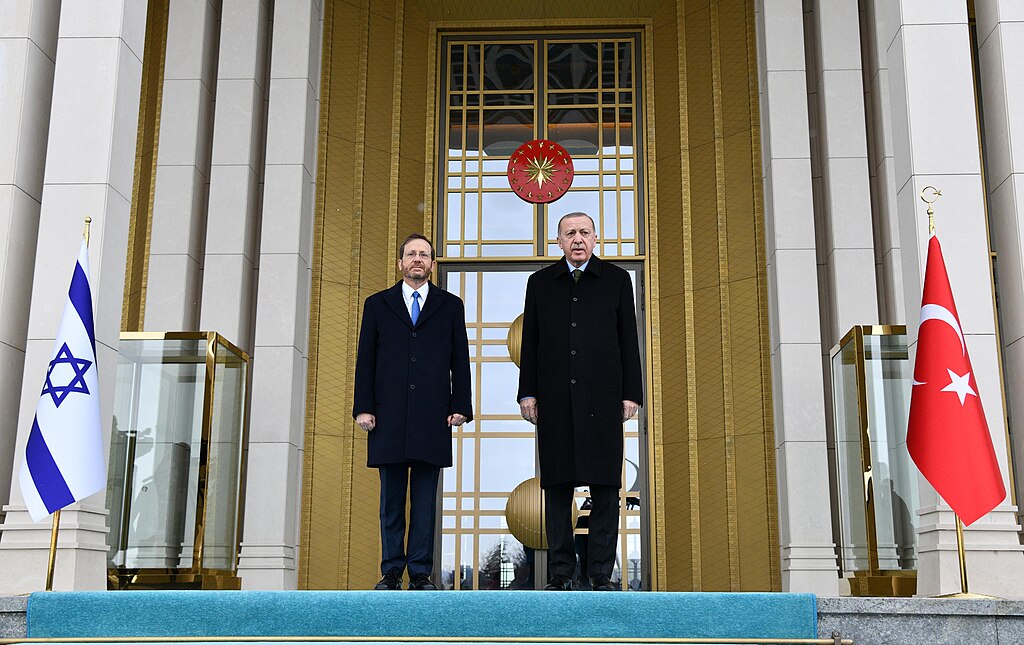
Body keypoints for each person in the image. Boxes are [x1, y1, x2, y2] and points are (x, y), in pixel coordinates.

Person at [517, 212, 643, 591]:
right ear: (558, 241)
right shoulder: (540, 283)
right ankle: (560, 572)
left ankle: (600, 572)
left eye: (584, 232)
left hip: (603, 398)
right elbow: (531, 342)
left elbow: (628, 340)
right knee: (557, 487)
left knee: (604, 487)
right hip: (555, 399)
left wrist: (631, 393)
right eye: (570, 233)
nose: (577, 239)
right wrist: (528, 392)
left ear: (595, 238)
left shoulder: (617, 280)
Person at [353, 233, 472, 590]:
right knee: (391, 502)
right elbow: (365, 359)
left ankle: (420, 572)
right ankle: (391, 571)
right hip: (387, 415)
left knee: (424, 502)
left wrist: (461, 405)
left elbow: (460, 360)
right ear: (400, 262)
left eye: (424, 254)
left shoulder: (450, 306)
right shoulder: (377, 304)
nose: (417, 259)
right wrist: (363, 408)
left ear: (432, 264)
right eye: (411, 254)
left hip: (432, 415)